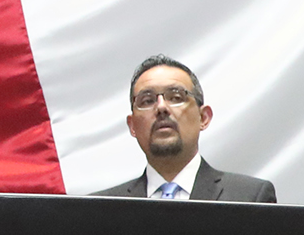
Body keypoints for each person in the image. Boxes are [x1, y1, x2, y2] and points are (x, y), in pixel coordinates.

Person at [92, 55, 276, 202]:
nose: (161, 107)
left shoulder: (249, 197)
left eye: (176, 97)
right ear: (132, 126)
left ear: (203, 118)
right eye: (147, 101)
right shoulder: (101, 208)